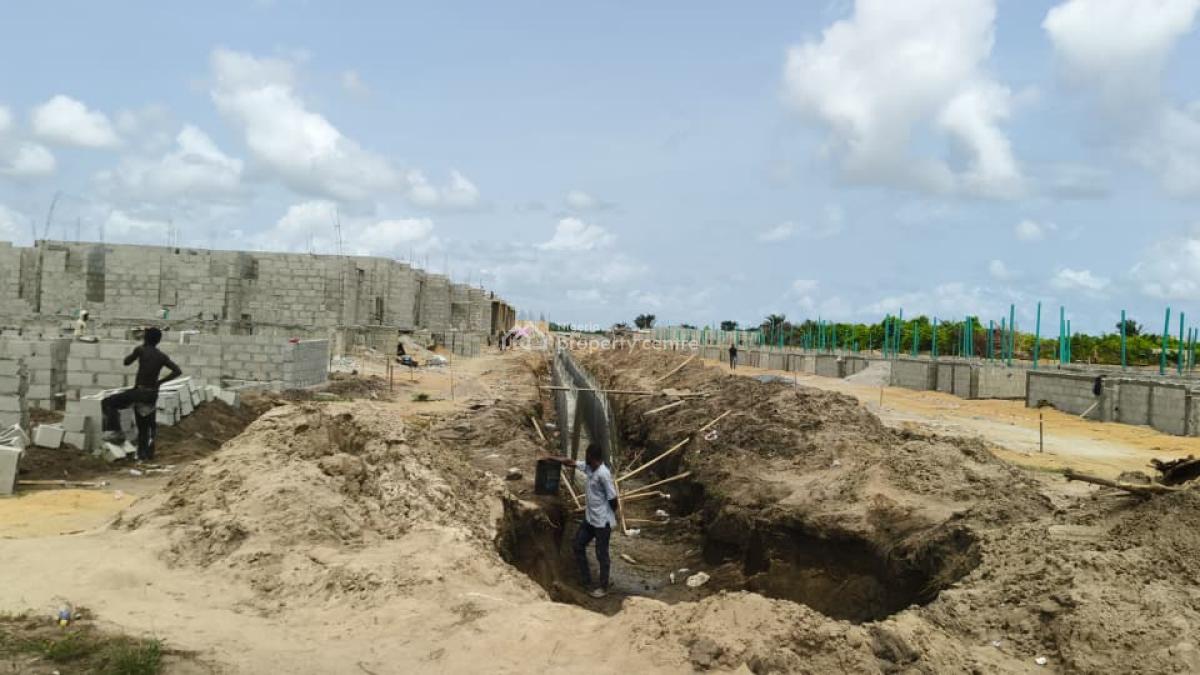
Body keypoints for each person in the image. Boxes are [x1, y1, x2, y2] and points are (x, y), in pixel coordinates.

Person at [546, 444, 620, 598]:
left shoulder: (603, 474)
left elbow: (613, 499)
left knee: (602, 554)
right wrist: (551, 458)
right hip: (590, 519)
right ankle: (586, 581)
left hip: (602, 522)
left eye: (587, 455)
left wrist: (610, 515)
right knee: (578, 545)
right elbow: (570, 462)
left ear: (593, 458)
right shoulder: (589, 468)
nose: (584, 458)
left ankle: (603, 587)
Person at [100, 327, 182, 461]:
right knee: (144, 426)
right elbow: (177, 371)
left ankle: (116, 432)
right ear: (158, 341)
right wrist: (160, 382)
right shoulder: (161, 356)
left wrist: (137, 349)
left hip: (139, 392)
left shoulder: (141, 350)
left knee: (108, 402)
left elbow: (126, 362)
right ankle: (145, 455)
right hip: (152, 394)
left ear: (145, 338)